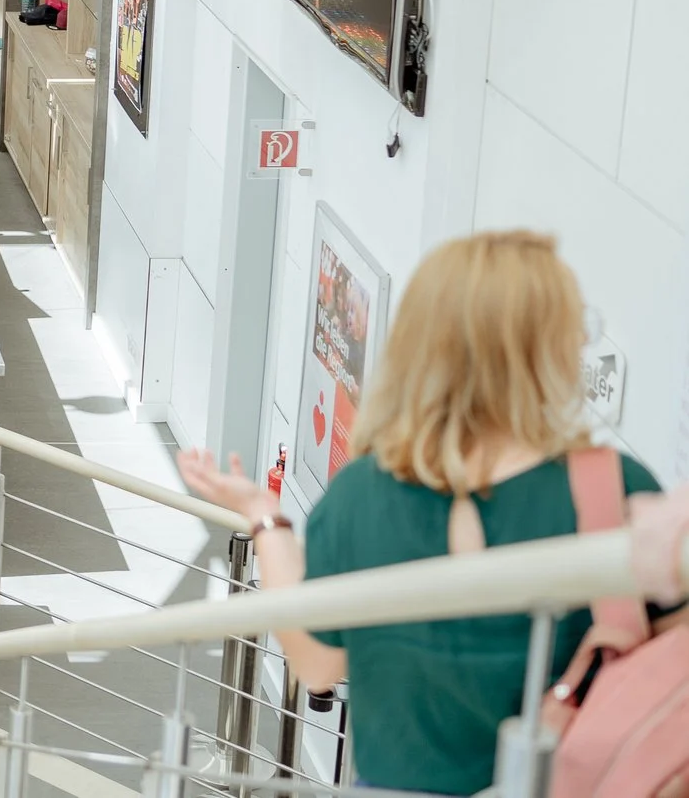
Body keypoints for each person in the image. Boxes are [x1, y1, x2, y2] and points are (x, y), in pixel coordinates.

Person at [178, 230, 675, 797]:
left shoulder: (361, 495)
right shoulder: (613, 489)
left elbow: (316, 667)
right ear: (547, 350)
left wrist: (265, 517)